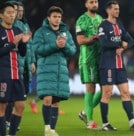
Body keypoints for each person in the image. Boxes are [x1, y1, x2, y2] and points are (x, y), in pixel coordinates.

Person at [98, 0, 134, 131]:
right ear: (108, 10)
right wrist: (121, 43)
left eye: (118, 9)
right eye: (114, 9)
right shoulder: (103, 26)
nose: (117, 11)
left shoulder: (119, 25)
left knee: (126, 92)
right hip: (107, 64)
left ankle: (132, 121)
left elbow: (131, 41)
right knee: (107, 94)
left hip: (120, 66)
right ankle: (105, 123)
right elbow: (103, 43)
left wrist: (123, 47)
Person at [32, 6, 76, 136]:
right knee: (47, 98)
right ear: (48, 18)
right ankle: (46, 129)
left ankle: (52, 129)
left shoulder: (65, 33)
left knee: (56, 102)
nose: (57, 19)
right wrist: (55, 45)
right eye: (54, 17)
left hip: (60, 71)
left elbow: (73, 51)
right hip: (46, 70)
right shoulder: (41, 32)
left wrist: (65, 45)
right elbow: (37, 49)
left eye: (59, 17)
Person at [0, 2, 31, 136]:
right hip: (3, 74)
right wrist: (12, 43)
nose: (12, 15)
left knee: (20, 106)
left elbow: (22, 53)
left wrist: (23, 43)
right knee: (2, 107)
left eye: (13, 13)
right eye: (9, 12)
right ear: (1, 15)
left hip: (16, 73)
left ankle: (11, 134)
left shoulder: (18, 30)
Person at [75, 0, 102, 129]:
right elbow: (80, 41)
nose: (94, 4)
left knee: (106, 89)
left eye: (96, 1)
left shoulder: (100, 18)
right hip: (88, 59)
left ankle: (84, 112)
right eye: (91, 2)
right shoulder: (82, 19)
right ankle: (90, 121)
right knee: (90, 88)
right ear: (86, 4)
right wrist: (93, 38)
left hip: (101, 58)